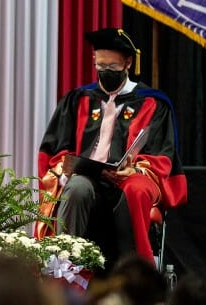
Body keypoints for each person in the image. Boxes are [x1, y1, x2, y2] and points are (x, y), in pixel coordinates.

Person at [37, 27, 187, 267]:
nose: (105, 73)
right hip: (87, 177)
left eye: (112, 68)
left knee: (137, 188)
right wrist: (66, 169)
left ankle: (136, 273)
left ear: (128, 63)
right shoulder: (77, 100)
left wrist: (135, 170)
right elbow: (56, 148)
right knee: (75, 189)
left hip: (128, 176)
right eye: (100, 67)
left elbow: (162, 154)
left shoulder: (152, 102)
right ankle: (68, 270)